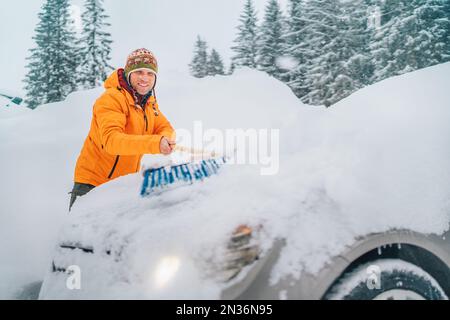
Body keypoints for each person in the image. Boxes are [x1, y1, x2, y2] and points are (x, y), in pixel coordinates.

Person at [69, 48, 175, 211]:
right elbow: (112, 141)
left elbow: (164, 127)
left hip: (120, 187)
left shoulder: (148, 104)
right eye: (139, 71)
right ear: (128, 73)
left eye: (150, 73)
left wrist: (165, 138)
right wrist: (155, 143)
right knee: (83, 237)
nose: (145, 78)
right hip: (92, 186)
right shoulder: (111, 99)